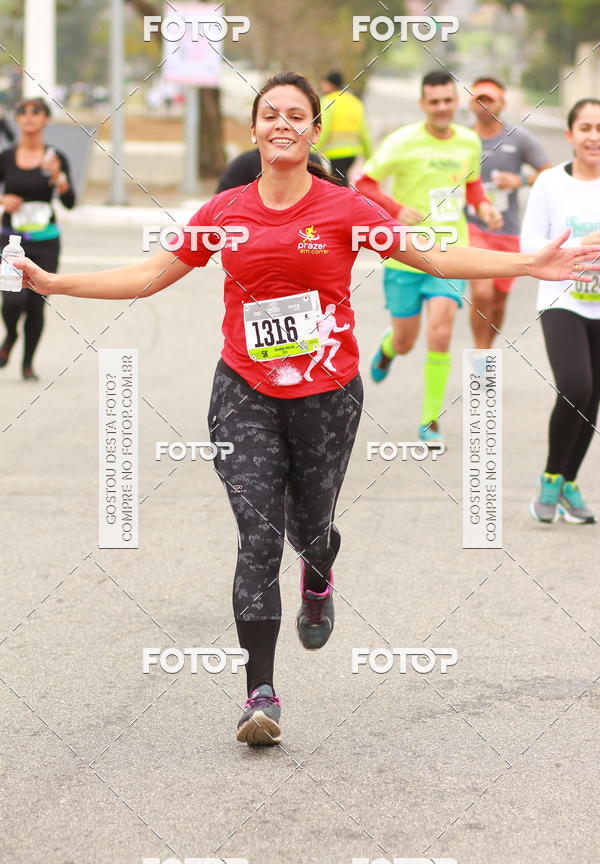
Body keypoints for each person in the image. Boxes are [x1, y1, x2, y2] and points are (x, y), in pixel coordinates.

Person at [13, 72, 599, 745]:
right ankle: (260, 692)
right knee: (260, 536)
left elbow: (432, 255)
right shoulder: (225, 213)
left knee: (311, 527)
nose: (283, 123)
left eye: (297, 114)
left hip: (327, 394)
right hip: (244, 391)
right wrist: (55, 282)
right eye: (271, 114)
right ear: (256, 128)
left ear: (315, 130)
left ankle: (319, 570)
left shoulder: (344, 209)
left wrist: (526, 264)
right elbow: (149, 276)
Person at [355, 70, 503, 444]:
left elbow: (472, 187)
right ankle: (390, 347)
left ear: (455, 102)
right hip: (405, 256)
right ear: (423, 105)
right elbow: (364, 183)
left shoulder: (469, 142)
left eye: (447, 101)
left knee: (441, 331)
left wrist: (484, 208)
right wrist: (394, 206)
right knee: (407, 340)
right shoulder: (402, 142)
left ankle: (430, 419)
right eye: (433, 102)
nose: (441, 108)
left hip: (449, 253)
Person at [522, 98, 600, 525]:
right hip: (562, 299)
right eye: (586, 127)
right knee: (575, 384)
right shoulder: (551, 183)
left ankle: (568, 484)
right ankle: (551, 477)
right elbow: (529, 243)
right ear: (570, 135)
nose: (594, 136)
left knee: (593, 397)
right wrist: (577, 250)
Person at [467, 77, 551, 348]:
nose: (484, 105)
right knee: (481, 292)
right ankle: (480, 357)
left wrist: (520, 180)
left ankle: (486, 351)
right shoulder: (463, 139)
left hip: (508, 228)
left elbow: (549, 173)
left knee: (498, 300)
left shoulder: (519, 138)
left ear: (502, 103)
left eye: (489, 99)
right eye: (479, 99)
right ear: (471, 103)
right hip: (473, 225)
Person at [0, 97, 75, 380]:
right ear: (17, 120)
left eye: (36, 112)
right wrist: (3, 200)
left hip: (46, 242)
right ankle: (9, 337)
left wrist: (59, 178)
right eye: (23, 112)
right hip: (10, 240)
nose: (29, 117)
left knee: (35, 303)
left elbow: (69, 201)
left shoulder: (54, 157)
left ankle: (28, 364)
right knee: (12, 300)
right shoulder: (6, 157)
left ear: (46, 119)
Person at [315, 71, 372, 186]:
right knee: (341, 180)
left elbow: (323, 129)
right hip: (352, 153)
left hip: (335, 152)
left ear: (329, 84)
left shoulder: (327, 101)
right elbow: (364, 131)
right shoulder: (355, 102)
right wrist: (369, 155)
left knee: (337, 183)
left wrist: (311, 149)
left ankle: (343, 202)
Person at [216, 147, 323, 193]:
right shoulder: (244, 162)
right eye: (270, 117)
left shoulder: (313, 160)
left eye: (296, 117)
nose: (282, 125)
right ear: (253, 129)